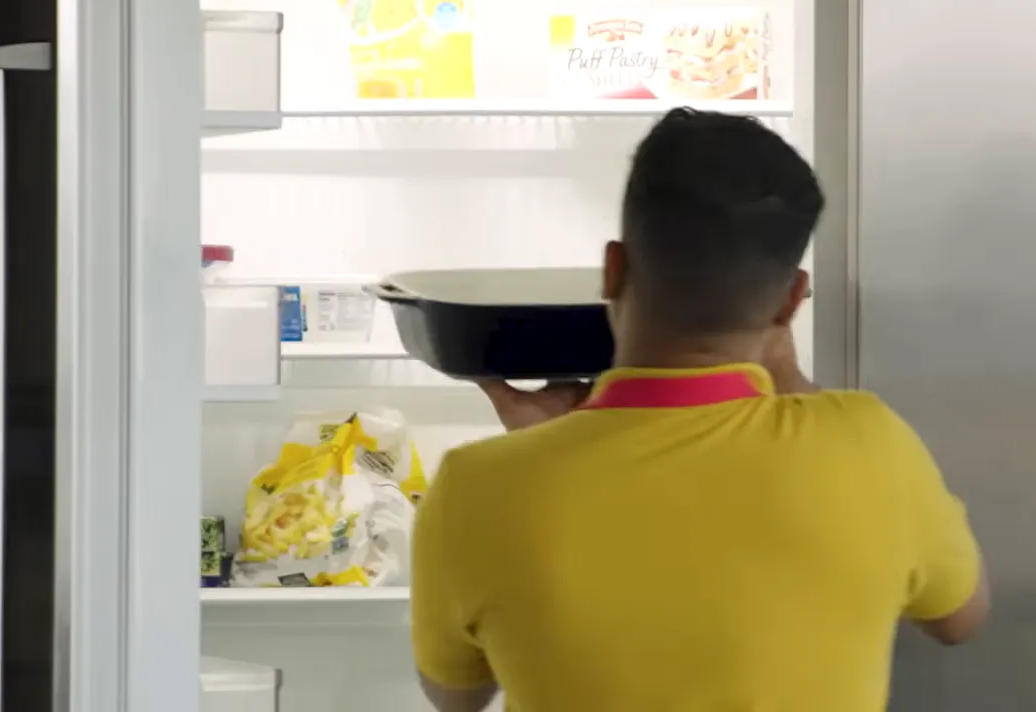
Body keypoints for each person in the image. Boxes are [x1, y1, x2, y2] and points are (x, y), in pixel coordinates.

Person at [410, 108, 989, 712]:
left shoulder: (479, 487)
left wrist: (556, 447)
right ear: (792, 299)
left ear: (613, 270)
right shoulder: (872, 447)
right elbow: (961, 618)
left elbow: (456, 696)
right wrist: (788, 377)